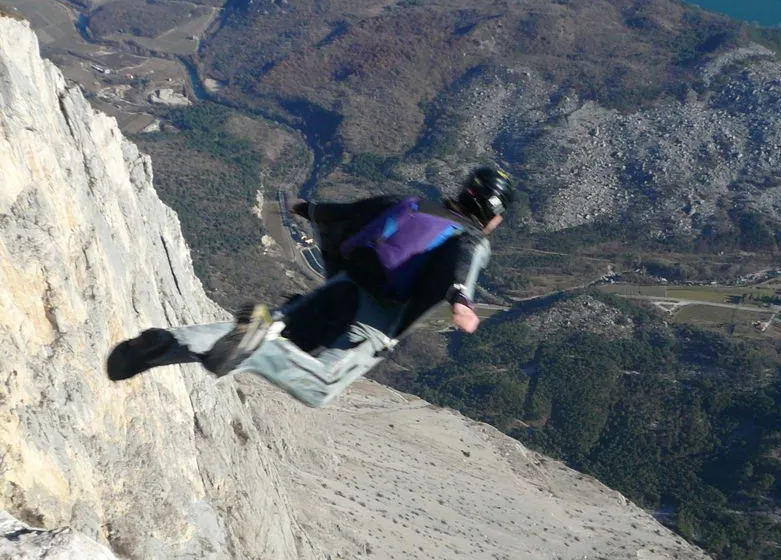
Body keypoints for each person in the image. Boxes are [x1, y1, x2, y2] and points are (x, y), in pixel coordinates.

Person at [106, 164, 514, 408]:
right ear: (492, 214)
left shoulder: (411, 204)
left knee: (279, 329)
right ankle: (259, 343)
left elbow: (347, 213)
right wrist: (460, 298)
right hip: (370, 321)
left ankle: (170, 341)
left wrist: (308, 209)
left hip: (335, 291)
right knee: (320, 386)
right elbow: (459, 264)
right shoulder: (473, 238)